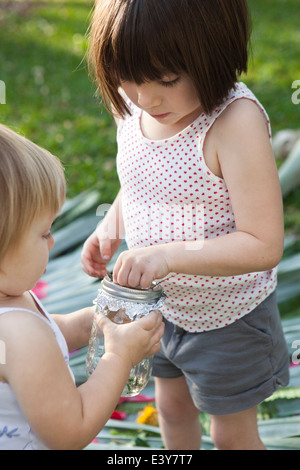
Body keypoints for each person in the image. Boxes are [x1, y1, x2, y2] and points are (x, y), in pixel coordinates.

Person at [81, 0, 290, 450]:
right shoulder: (134, 108)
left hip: (228, 319)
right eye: (129, 78)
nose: (146, 97)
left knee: (230, 433)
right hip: (161, 311)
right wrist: (110, 227)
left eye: (168, 80)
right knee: (172, 412)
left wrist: (166, 256)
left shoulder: (233, 124)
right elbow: (140, 184)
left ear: (213, 54)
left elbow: (263, 243)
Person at [0, 124, 164, 450]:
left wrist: (98, 320)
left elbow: (48, 333)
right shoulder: (17, 333)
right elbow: (70, 432)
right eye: (44, 232)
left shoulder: (13, 303)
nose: (52, 241)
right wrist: (119, 355)